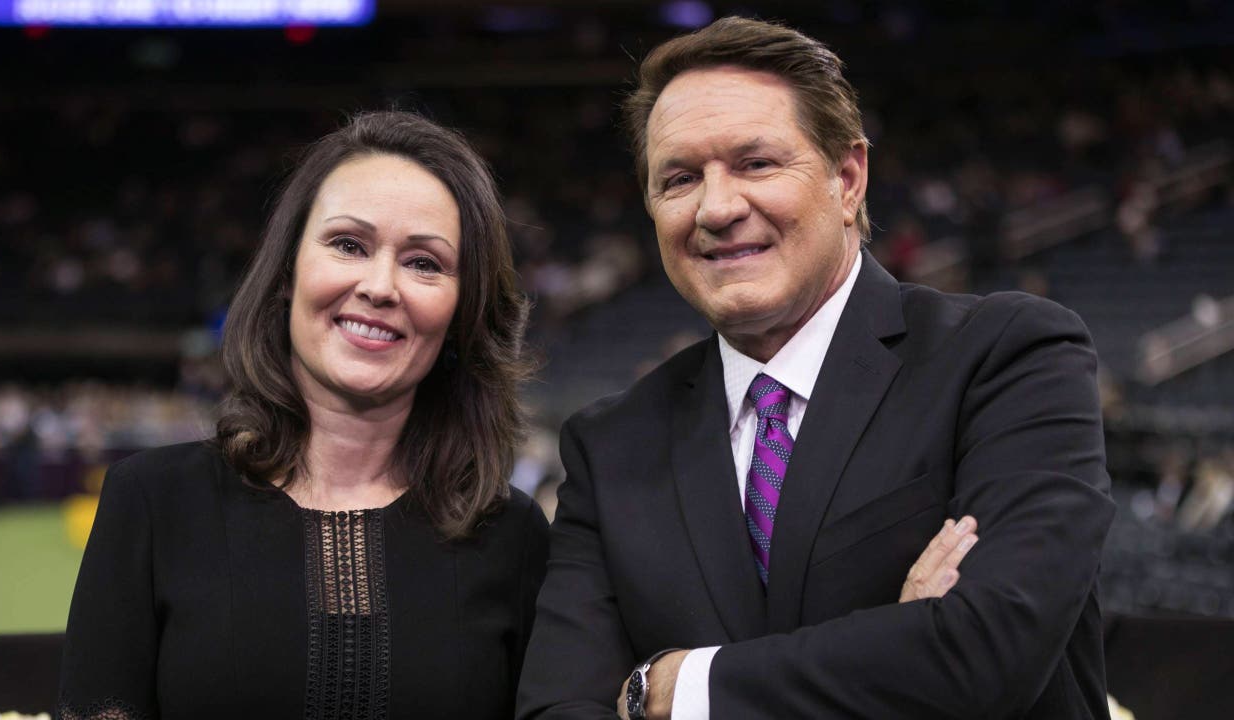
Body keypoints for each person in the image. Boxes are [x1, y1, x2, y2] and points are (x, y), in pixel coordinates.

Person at [517, 17, 1114, 720]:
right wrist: (899, 649)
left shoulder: (1006, 356)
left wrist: (670, 690)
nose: (716, 208)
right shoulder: (611, 445)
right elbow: (557, 712)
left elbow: (987, 650)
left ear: (848, 178)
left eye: (756, 163)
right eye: (679, 179)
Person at [59, 111, 548, 719]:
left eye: (424, 262)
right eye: (348, 245)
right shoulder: (152, 502)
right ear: (288, 271)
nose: (380, 286)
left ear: (463, 309)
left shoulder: (515, 535)